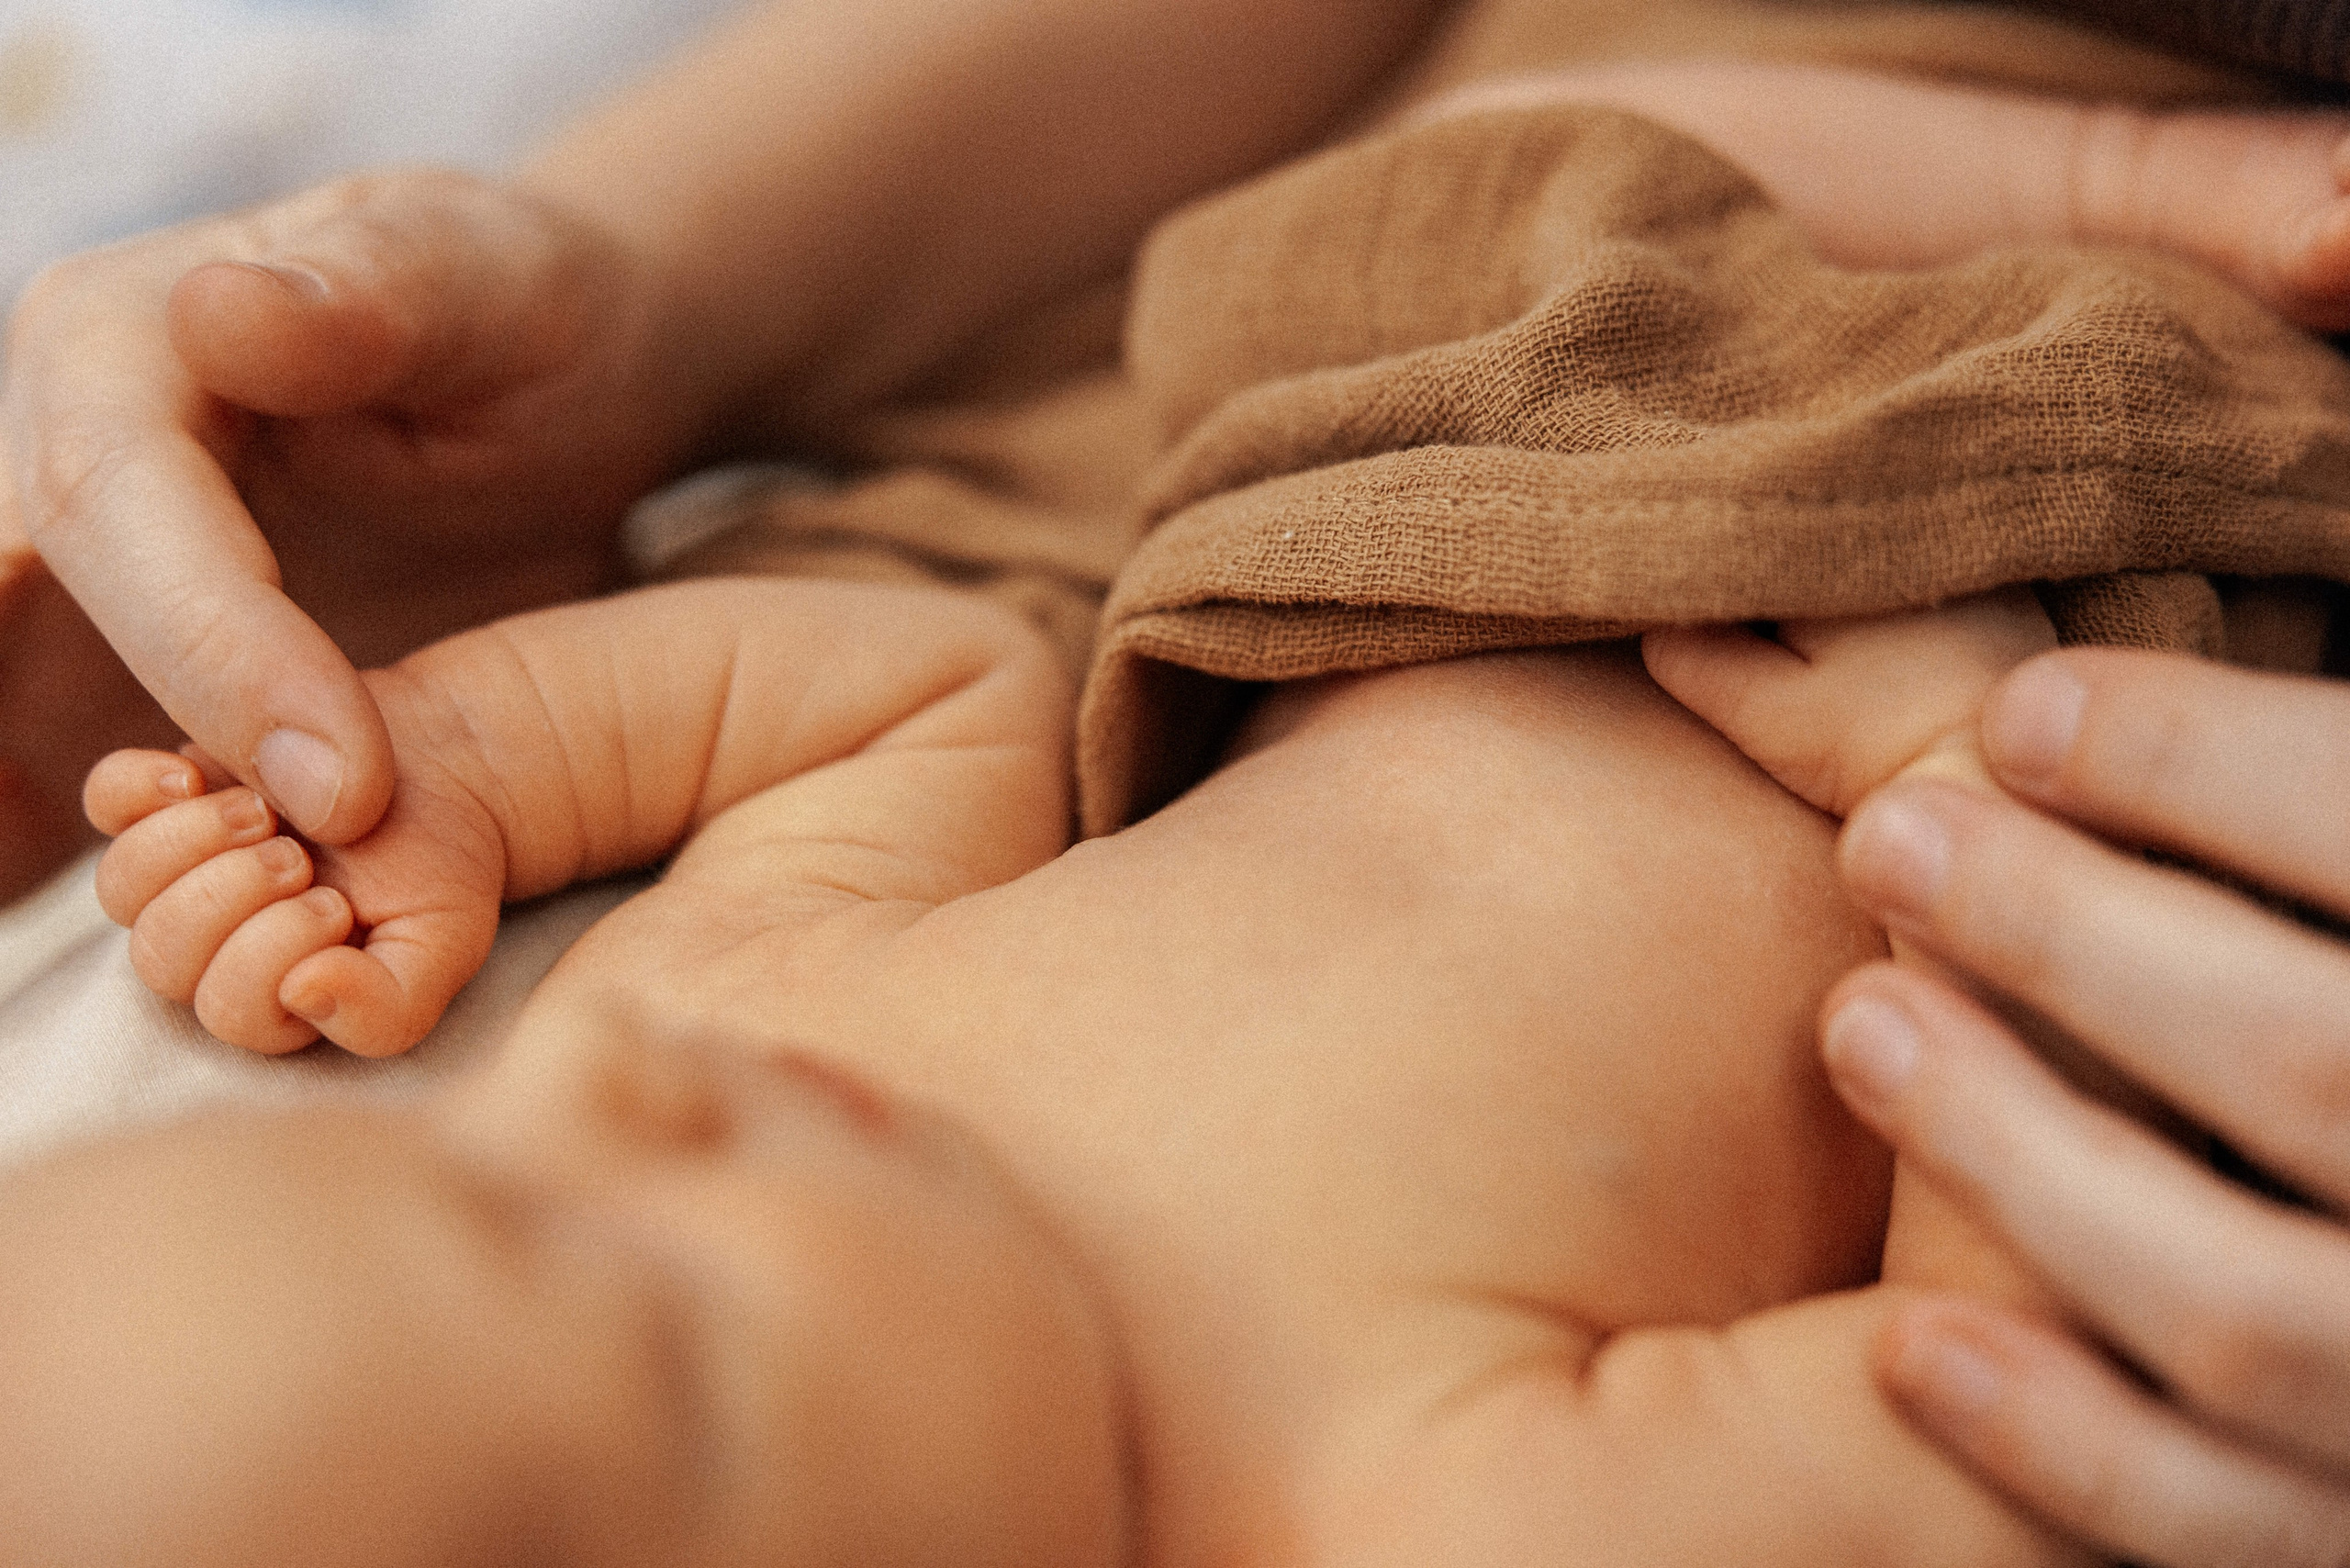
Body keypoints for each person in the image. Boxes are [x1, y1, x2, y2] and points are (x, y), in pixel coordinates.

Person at [4, 5, 2347, 1551]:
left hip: (1445, 481)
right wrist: (1955, 794)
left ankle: (2121, 148)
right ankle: (2181, 207)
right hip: (2032, 618)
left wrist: (453, 775)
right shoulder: (1407, 1507)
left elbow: (909, 687)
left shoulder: (751, 1047)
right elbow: (1975, 1401)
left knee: (1371, 232)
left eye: (471, 1151)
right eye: (629, 1290)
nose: (612, 1097)